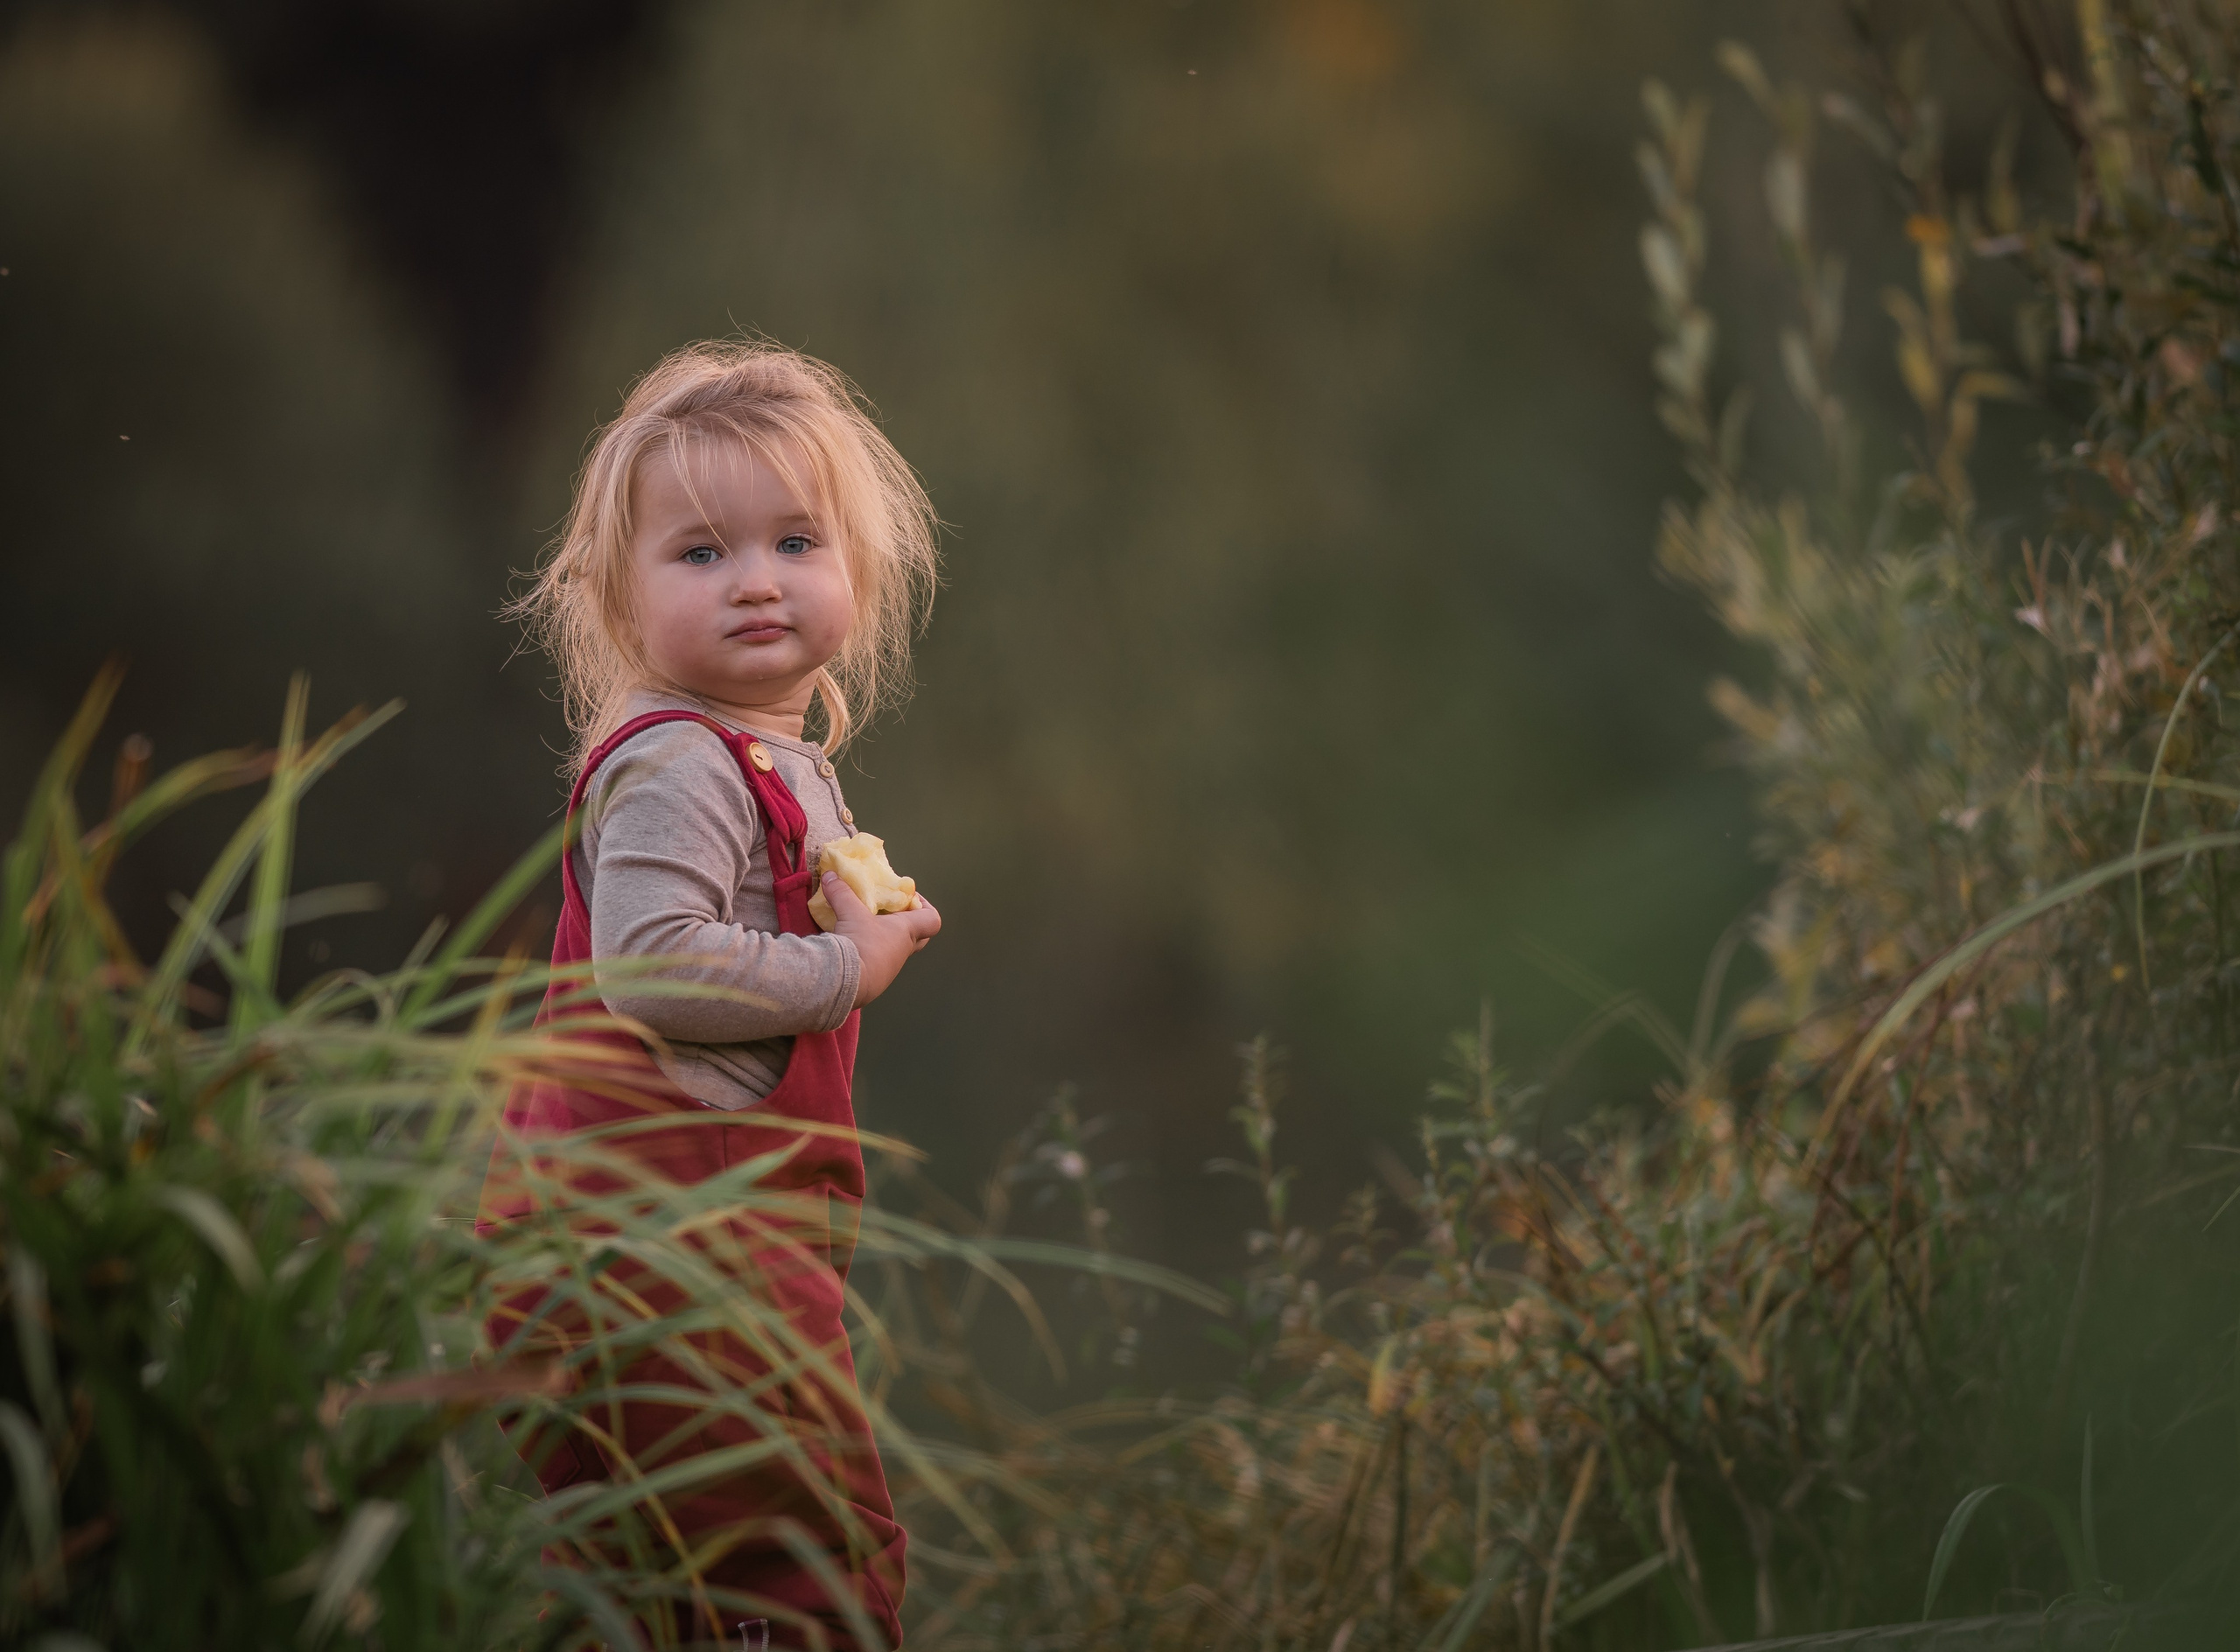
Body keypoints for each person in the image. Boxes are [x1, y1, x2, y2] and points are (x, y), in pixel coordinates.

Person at [480, 340, 942, 1650]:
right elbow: (654, 963)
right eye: (700, 553)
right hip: (671, 1255)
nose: (755, 580)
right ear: (619, 598)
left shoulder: (774, 757)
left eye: (796, 542)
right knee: (781, 1562)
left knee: (728, 1558)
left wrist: (868, 924)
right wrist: (849, 967)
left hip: (722, 1242)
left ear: (857, 570)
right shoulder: (681, 762)